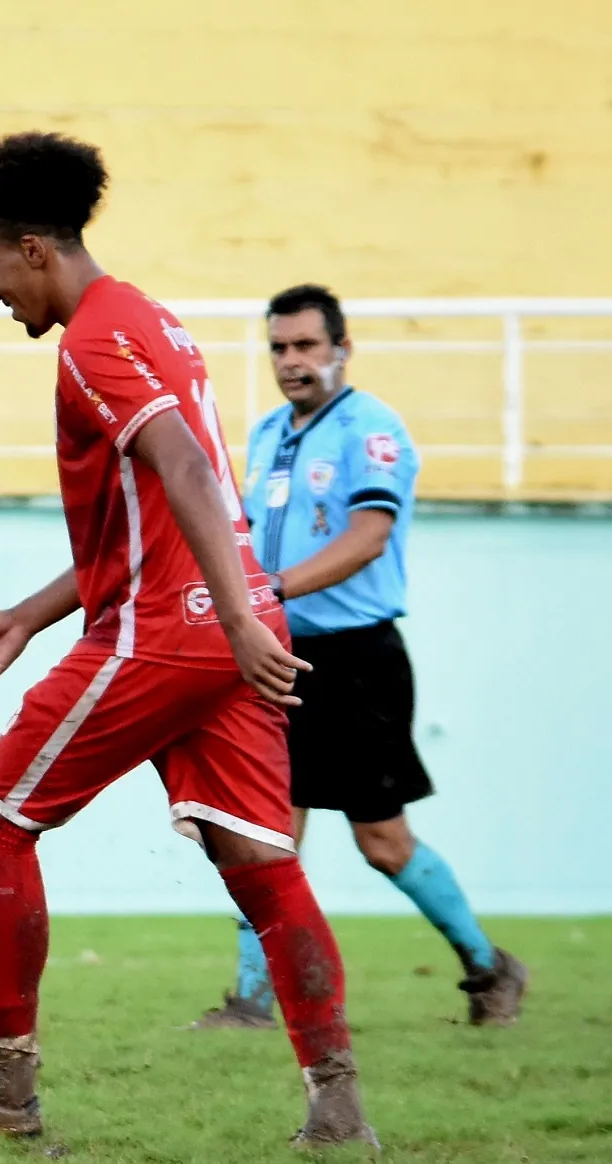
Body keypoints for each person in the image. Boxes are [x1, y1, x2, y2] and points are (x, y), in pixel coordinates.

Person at [0, 133, 375, 1148]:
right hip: (212, 625)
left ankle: (1, 1091)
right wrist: (29, 613)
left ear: (32, 248)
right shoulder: (152, 320)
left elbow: (183, 467)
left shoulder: (93, 342)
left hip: (170, 632)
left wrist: (227, 617)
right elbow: (151, 511)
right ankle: (335, 1105)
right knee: (259, 861)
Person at [193, 285, 527, 1030]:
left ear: (341, 348)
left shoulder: (372, 430)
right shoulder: (270, 434)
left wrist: (267, 588)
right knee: (263, 831)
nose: (291, 361)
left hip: (358, 661)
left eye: (306, 345)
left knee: (383, 841)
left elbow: (368, 536)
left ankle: (491, 968)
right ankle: (252, 999)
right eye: (279, 347)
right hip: (279, 655)